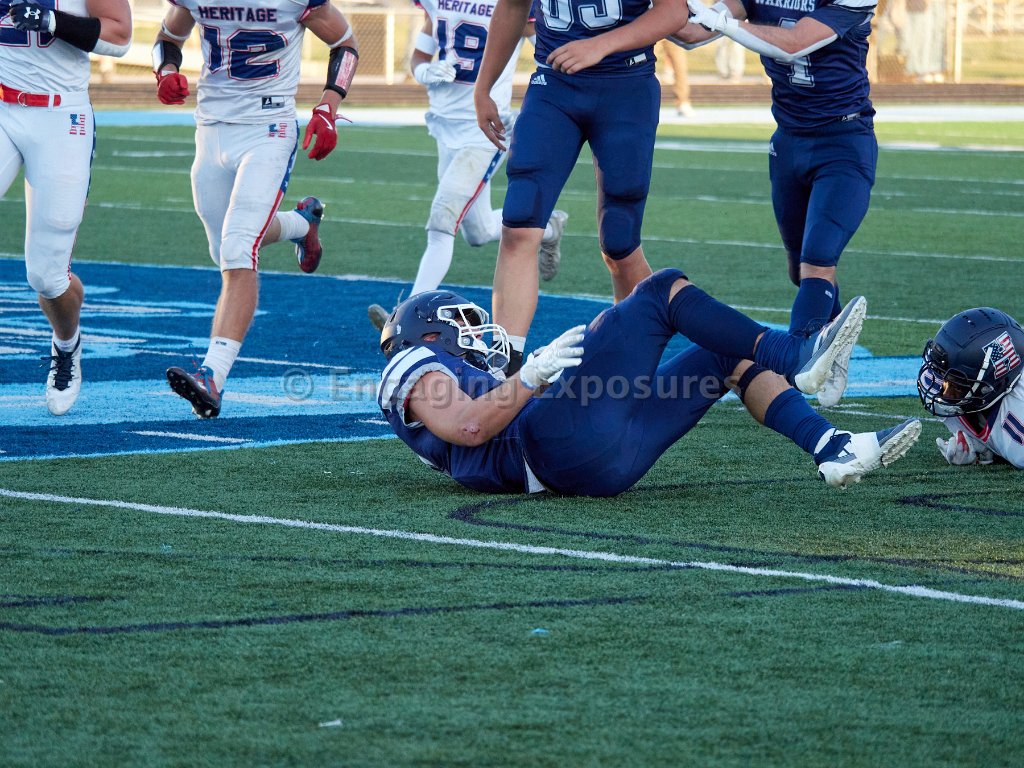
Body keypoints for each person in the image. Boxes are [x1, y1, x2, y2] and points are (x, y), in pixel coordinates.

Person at [376, 268, 921, 496]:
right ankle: (795, 353)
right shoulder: (410, 366)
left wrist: (538, 379)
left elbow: (476, 422)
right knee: (661, 291)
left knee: (722, 352)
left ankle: (833, 446)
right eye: (461, 324)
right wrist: (535, 375)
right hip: (550, 445)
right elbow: (470, 426)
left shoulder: (441, 380)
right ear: (428, 336)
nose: (476, 335)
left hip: (595, 465)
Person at [154, 0, 358, 418]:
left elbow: (345, 44)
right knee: (225, 247)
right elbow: (168, 38)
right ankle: (301, 224)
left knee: (237, 248)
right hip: (210, 129)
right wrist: (166, 70)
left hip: (269, 128)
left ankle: (212, 376)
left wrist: (328, 106)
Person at [677, 0, 879, 408]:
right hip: (788, 142)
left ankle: (799, 361)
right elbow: (691, 34)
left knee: (817, 260)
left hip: (844, 141)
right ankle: (834, 342)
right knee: (799, 270)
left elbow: (793, 44)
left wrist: (723, 22)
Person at [474, 0, 690, 374]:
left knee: (619, 242)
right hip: (553, 87)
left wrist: (601, 45)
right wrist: (483, 86)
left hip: (626, 85)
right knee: (519, 223)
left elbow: (673, 12)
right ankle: (503, 366)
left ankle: (632, 356)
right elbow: (511, 7)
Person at [367, 3, 567, 333]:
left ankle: (406, 318)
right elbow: (420, 56)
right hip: (444, 124)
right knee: (477, 232)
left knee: (441, 221)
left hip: (484, 130)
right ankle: (549, 229)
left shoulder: (511, 5)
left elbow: (547, 51)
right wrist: (423, 71)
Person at [1, 0, 132, 415]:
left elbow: (120, 36)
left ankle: (66, 343)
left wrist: (53, 21)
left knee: (46, 275)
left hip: (60, 115)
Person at [918, 307, 1024, 469]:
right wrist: (986, 449)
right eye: (943, 379)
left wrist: (994, 451)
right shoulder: (933, 381)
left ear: (995, 384)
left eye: (956, 385)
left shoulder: (1018, 434)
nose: (943, 393)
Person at [654, 39, 694, 116]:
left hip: (672, 33)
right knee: (644, 60)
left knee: (680, 65)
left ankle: (683, 101)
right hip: (652, 32)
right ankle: (639, 100)